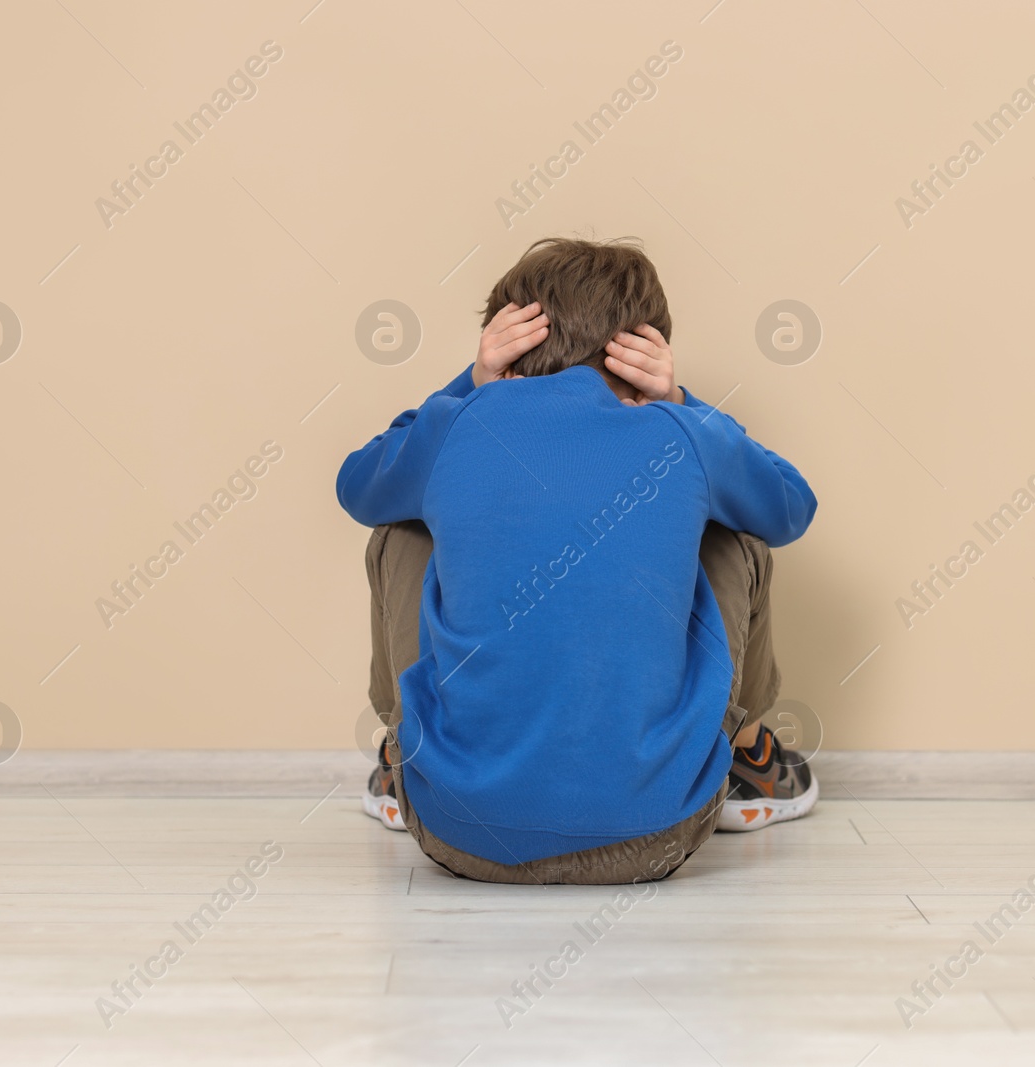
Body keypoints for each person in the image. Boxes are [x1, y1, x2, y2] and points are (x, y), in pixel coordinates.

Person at [337, 237, 817, 885]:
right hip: (660, 834)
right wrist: (681, 402)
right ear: (641, 349)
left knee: (399, 527)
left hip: (459, 834)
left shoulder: (460, 424)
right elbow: (789, 507)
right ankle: (749, 755)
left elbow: (359, 486)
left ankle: (406, 752)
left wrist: (468, 385)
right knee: (737, 535)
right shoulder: (680, 433)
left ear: (506, 345)